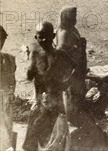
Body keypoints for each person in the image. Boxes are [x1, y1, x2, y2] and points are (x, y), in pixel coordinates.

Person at [23, 22, 77, 151]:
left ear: (53, 36)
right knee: (41, 137)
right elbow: (30, 77)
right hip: (45, 102)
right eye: (41, 36)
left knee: (49, 137)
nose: (44, 39)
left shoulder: (58, 54)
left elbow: (76, 69)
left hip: (52, 102)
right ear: (36, 37)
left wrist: (65, 84)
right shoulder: (39, 54)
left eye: (46, 36)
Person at [56, 6, 87, 108]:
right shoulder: (64, 33)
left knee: (78, 91)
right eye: (73, 16)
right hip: (70, 67)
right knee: (72, 92)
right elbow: (61, 51)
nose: (75, 18)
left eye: (75, 16)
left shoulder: (71, 29)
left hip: (77, 64)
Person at [0, 25, 16, 151]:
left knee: (6, 127)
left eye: (2, 39)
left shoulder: (9, 59)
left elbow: (12, 80)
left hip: (5, 99)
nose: (1, 42)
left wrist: (11, 93)